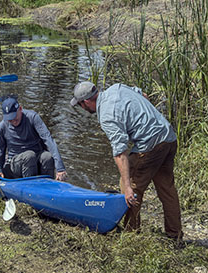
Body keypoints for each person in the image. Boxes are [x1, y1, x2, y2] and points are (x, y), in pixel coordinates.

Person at [71, 81, 182, 243]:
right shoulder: (117, 88)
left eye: (80, 105)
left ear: (86, 101)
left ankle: (130, 235)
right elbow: (143, 95)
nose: (82, 108)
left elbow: (120, 153)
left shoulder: (107, 115)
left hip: (150, 145)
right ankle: (175, 235)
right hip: (168, 136)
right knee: (167, 189)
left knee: (129, 188)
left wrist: (128, 186)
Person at [0, 96, 67, 181]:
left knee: (47, 156)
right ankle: (29, 187)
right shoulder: (2, 126)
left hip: (36, 157)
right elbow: (0, 149)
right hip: (16, 162)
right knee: (29, 155)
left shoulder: (33, 118)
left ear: (20, 109)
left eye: (15, 118)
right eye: (10, 120)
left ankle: (49, 185)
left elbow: (48, 139)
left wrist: (60, 168)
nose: (13, 121)